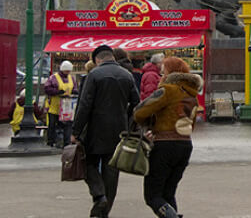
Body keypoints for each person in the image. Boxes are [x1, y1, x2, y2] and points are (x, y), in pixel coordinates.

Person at [71, 45, 139, 218]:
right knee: (112, 170)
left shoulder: (94, 75)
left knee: (87, 163)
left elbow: (84, 105)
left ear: (97, 60)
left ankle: (99, 195)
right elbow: (137, 103)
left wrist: (76, 131)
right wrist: (126, 119)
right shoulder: (127, 75)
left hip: (95, 129)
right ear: (112, 57)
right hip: (119, 130)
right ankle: (104, 211)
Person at [134, 56, 203, 217]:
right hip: (185, 145)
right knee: (168, 193)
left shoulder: (168, 90)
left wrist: (149, 124)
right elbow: (191, 124)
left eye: (164, 69)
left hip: (164, 145)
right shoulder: (191, 95)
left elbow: (140, 111)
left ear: (170, 72)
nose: (161, 72)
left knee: (152, 195)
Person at [43, 60, 78, 147]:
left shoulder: (71, 78)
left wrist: (75, 92)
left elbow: (74, 88)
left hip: (66, 107)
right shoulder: (53, 78)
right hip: (54, 106)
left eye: (69, 71)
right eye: (66, 71)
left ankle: (66, 143)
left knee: (67, 126)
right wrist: (57, 92)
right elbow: (47, 89)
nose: (68, 73)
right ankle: (51, 141)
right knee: (52, 125)